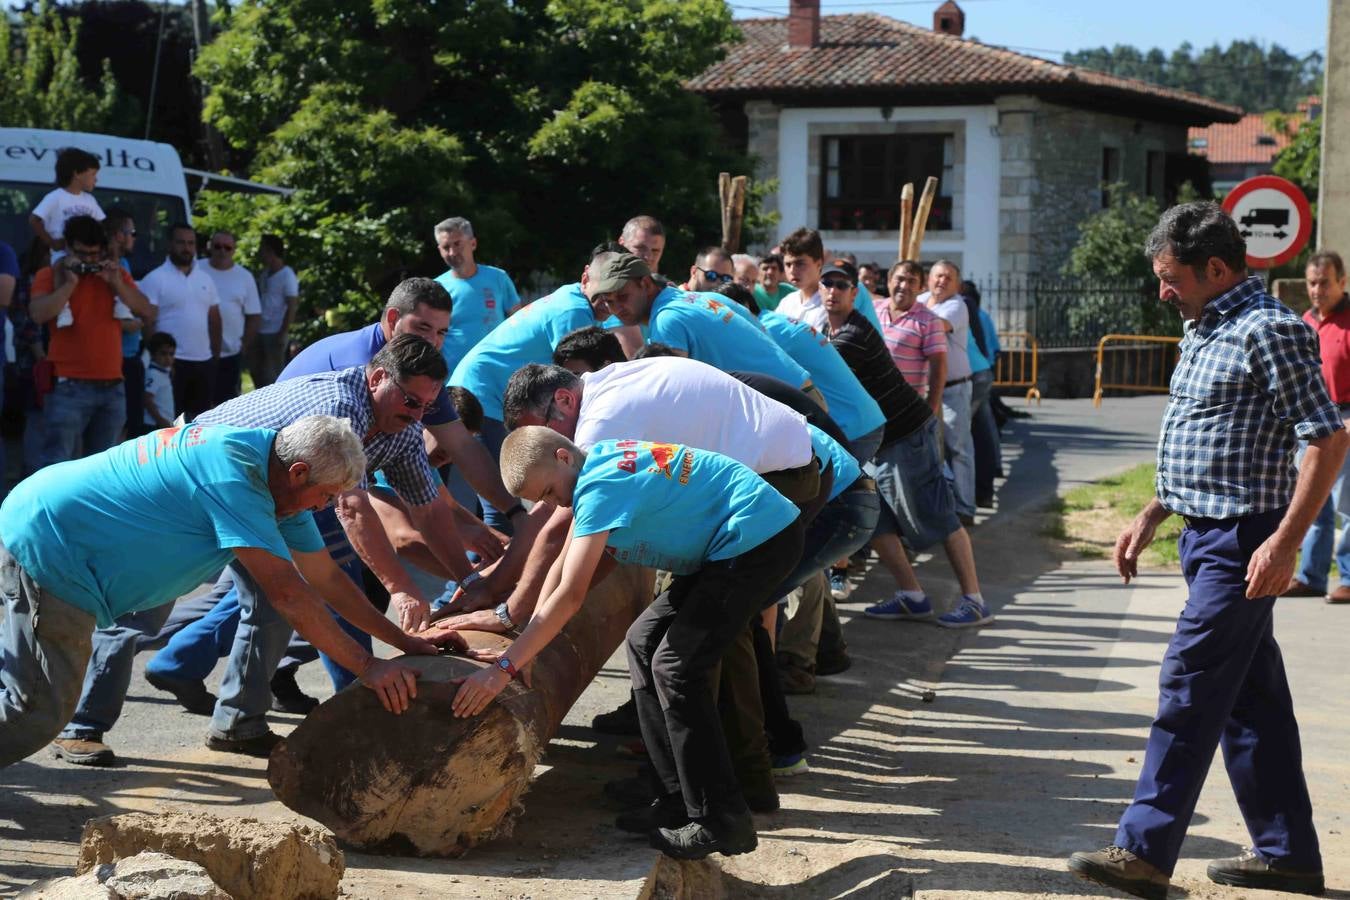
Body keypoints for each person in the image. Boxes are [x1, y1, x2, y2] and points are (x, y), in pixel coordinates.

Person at [1068, 202, 1346, 900]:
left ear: (1216, 269)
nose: (1163, 292)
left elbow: (1326, 438)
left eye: (1171, 278)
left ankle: (1144, 851)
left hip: (1247, 543)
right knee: (1252, 703)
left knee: (1189, 684)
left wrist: (1287, 543)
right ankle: (1288, 855)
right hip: (1206, 537)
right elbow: (1205, 438)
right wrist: (1153, 509)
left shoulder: (1270, 329)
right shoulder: (1204, 326)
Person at [1, 414, 438, 768]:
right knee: (36, 709)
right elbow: (288, 595)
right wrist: (367, 667)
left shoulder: (276, 475)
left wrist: (403, 643)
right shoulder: (236, 476)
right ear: (299, 472)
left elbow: (326, 580)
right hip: (52, 547)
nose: (322, 508)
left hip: (53, 532)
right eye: (324, 497)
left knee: (22, 694)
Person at [449, 426, 803, 859]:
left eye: (548, 491)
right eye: (539, 500)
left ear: (562, 457)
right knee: (644, 641)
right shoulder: (597, 463)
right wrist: (525, 645)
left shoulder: (599, 486)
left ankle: (722, 820)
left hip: (757, 540)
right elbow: (561, 566)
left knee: (676, 667)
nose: (550, 503)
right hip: (730, 545)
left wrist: (504, 668)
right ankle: (675, 799)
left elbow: (572, 594)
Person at [159, 336, 474, 756]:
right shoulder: (342, 406)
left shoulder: (403, 427)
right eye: (411, 402)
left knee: (284, 597)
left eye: (425, 408)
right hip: (204, 475)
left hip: (279, 495)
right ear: (379, 377)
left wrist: (469, 580)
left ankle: (224, 708)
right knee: (154, 593)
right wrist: (400, 589)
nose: (417, 416)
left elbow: (430, 511)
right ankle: (89, 721)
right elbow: (353, 509)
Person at [818, 262, 990, 629]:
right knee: (875, 517)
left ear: (854, 292)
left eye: (841, 284)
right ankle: (912, 595)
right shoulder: (833, 328)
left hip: (906, 432)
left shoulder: (852, 335)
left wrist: (933, 405)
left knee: (938, 514)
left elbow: (815, 378)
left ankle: (974, 600)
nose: (832, 290)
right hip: (879, 438)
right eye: (827, 283)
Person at [448, 259, 611, 533]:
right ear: (586, 278)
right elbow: (576, 384)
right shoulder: (574, 311)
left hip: (483, 388)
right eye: (605, 295)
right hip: (482, 394)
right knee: (506, 510)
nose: (612, 303)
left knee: (510, 509)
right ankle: (485, 576)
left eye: (619, 296)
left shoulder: (571, 298)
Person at [28, 215, 156, 468]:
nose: (88, 260)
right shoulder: (50, 275)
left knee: (102, 467)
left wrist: (117, 283)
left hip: (112, 386)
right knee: (58, 463)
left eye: (94, 254)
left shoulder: (113, 274)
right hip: (68, 386)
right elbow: (39, 314)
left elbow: (148, 312)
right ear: (68, 247)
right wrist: (70, 284)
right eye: (82, 254)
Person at [588, 250, 812, 394]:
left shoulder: (668, 319)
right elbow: (760, 329)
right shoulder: (705, 298)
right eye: (608, 301)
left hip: (790, 407)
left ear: (645, 285)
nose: (616, 308)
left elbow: (674, 393)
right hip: (801, 390)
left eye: (623, 297)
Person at [1282, 251, 1350, 603]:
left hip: (1345, 419)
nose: (1317, 290)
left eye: (1324, 282)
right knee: (1313, 501)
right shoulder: (1305, 322)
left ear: (1342, 281)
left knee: (1347, 504)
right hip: (1309, 422)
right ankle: (1311, 576)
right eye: (1311, 282)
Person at [140, 224, 221, 421]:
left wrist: (214, 357)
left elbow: (215, 320)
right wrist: (158, 361)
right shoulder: (155, 279)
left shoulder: (206, 279)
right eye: (181, 242)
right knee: (171, 424)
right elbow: (147, 322)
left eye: (191, 243)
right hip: (171, 364)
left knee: (201, 424)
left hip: (203, 362)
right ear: (169, 245)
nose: (186, 248)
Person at [922, 259, 976, 524]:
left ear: (957, 284)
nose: (941, 281)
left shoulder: (956, 305)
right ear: (929, 279)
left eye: (948, 278)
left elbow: (937, 325)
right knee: (930, 449)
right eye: (938, 276)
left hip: (954, 388)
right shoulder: (920, 301)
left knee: (958, 447)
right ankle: (941, 505)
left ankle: (965, 508)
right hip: (925, 389)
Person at [433, 217, 523, 370]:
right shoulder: (435, 288)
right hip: (453, 377)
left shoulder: (498, 278)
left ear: (473, 243)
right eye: (446, 247)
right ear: (439, 250)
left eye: (457, 244)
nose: (452, 252)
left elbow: (519, 322)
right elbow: (432, 335)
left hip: (496, 370)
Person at [775, 228, 882, 333]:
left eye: (800, 264)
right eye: (788, 264)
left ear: (819, 264)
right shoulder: (786, 303)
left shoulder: (838, 299)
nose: (792, 270)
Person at [197, 230, 261, 407]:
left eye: (227, 247)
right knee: (196, 405)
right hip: (197, 352)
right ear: (210, 247)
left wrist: (243, 345)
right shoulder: (196, 268)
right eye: (217, 246)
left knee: (226, 404)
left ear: (234, 250)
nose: (222, 251)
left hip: (230, 354)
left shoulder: (245, 277)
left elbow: (254, 315)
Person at [876, 261, 947, 417]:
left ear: (921, 288)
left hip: (906, 410)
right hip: (871, 408)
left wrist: (931, 408)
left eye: (911, 281)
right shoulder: (873, 310)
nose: (904, 285)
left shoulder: (929, 320)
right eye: (899, 279)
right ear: (888, 281)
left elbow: (938, 368)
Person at [104, 209, 148, 436]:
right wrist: (128, 323)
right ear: (119, 235)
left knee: (132, 423)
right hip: (115, 359)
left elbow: (143, 308)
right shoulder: (109, 266)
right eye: (132, 232)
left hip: (131, 354)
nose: (134, 237)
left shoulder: (124, 264)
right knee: (118, 428)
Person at [29, 147, 104, 262]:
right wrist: (52, 242)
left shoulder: (90, 200)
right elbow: (34, 220)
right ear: (77, 174)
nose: (96, 179)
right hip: (62, 256)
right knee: (66, 271)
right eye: (93, 174)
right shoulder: (55, 197)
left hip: (87, 255)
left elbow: (100, 224)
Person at [249, 234, 299, 388]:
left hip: (276, 330)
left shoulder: (287, 274)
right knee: (258, 371)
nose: (260, 253)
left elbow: (292, 304)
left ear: (270, 251)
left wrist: (283, 332)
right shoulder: (264, 274)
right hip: (260, 330)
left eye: (262, 249)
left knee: (274, 373)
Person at [142, 332, 176, 432]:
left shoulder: (164, 372)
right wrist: (160, 420)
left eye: (171, 354)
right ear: (153, 354)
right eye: (163, 353)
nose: (168, 358)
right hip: (154, 425)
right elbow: (147, 398)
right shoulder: (153, 373)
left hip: (163, 424)